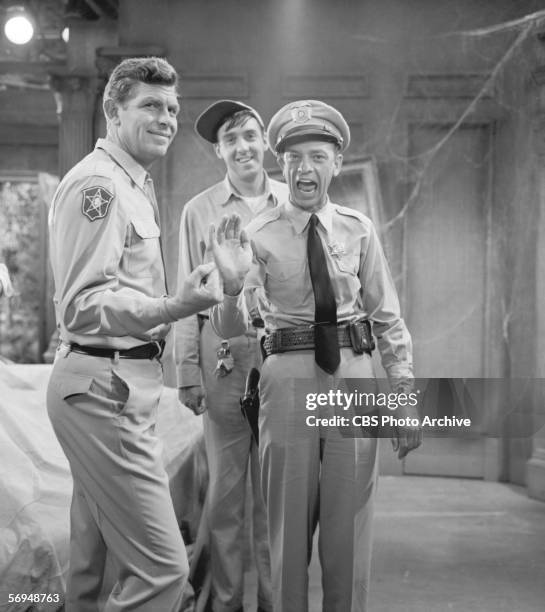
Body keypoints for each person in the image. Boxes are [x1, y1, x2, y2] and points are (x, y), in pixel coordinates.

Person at [208, 100, 423, 612]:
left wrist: (404, 395)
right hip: (287, 380)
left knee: (350, 532)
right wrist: (233, 283)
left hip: (355, 378)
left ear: (337, 162)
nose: (305, 169)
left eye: (318, 156)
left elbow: (387, 316)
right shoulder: (254, 234)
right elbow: (230, 327)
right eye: (295, 157)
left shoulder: (359, 229)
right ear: (280, 164)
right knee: (286, 532)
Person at [47, 57, 225, 612]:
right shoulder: (99, 186)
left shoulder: (131, 183)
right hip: (105, 390)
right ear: (112, 111)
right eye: (150, 105)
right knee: (164, 573)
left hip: (115, 384)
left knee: (92, 570)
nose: (167, 117)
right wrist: (176, 306)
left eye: (172, 107)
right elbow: (82, 306)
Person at [175, 100, 288, 612]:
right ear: (218, 152)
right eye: (230, 141)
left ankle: (273, 600)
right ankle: (225, 602)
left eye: (249, 135)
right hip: (221, 359)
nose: (242, 147)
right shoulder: (199, 210)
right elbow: (185, 296)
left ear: (263, 140)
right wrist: (185, 372)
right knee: (223, 495)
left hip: (283, 360)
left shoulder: (293, 203)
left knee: (274, 496)